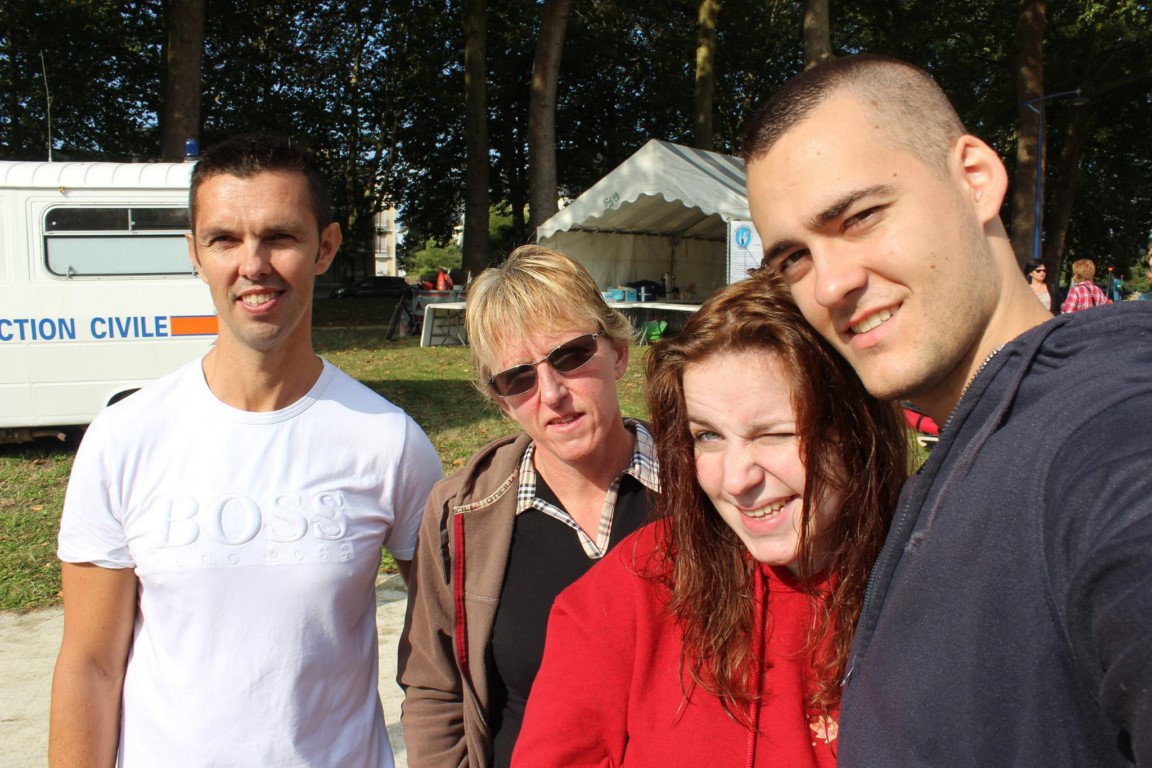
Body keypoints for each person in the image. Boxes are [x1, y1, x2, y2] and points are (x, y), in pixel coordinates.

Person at [743, 53, 1152, 766]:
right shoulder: (980, 436)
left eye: (862, 216)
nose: (832, 283)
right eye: (794, 260)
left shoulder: (1103, 430)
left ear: (976, 179)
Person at [49, 134, 443, 768]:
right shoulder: (125, 439)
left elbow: (444, 652)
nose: (252, 264)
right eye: (224, 239)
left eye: (280, 237)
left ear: (327, 247)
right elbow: (90, 666)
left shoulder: (389, 442)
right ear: (194, 254)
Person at [512, 271, 909, 767]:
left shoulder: (945, 583)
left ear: (855, 428)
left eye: (774, 434)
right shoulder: (628, 595)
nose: (737, 479)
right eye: (708, 437)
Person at [397, 245, 659, 768]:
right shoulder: (462, 512)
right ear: (499, 399)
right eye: (518, 378)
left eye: (571, 355)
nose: (552, 392)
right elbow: (435, 687)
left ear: (620, 353)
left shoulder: (707, 484)